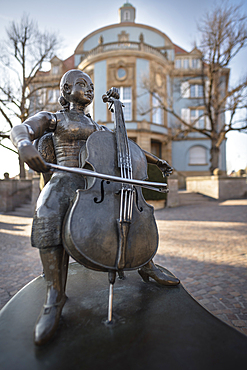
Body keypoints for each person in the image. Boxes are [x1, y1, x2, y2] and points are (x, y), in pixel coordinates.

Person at [10, 69, 179, 346]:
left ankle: (146, 264)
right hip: (66, 176)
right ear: (65, 91)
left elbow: (127, 146)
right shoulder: (55, 119)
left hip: (96, 178)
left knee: (124, 207)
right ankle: (55, 294)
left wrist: (156, 161)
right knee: (48, 208)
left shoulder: (99, 127)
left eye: (90, 85)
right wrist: (25, 145)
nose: (87, 89)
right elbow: (23, 128)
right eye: (79, 84)